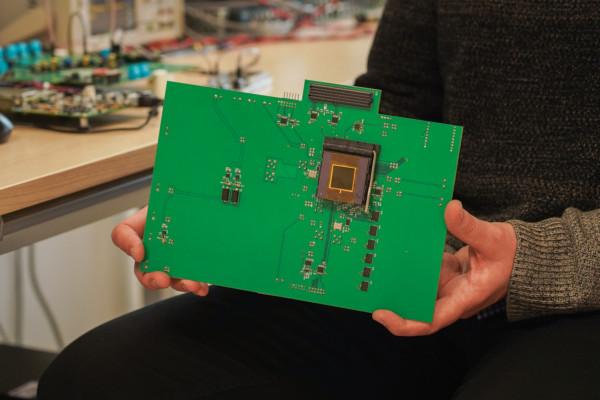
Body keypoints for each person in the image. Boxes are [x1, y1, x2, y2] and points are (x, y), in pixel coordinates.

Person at [38, 1, 600, 399]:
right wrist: (218, 210)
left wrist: (538, 260)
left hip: (577, 302)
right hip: (411, 269)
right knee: (95, 377)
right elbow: (393, 113)